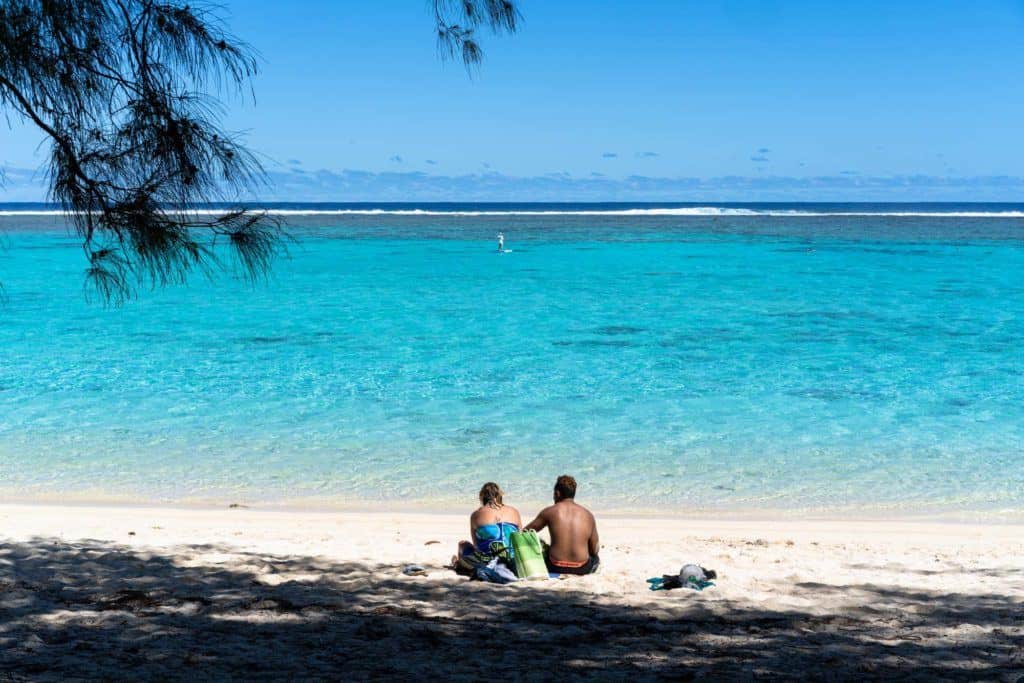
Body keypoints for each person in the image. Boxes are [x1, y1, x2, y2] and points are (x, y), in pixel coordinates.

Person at [525, 474, 600, 575]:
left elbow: (525, 532)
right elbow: (594, 549)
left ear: (557, 493)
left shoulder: (549, 512)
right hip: (582, 568)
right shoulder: (588, 515)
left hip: (555, 567)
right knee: (596, 558)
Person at [454, 482, 522, 573]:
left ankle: (459, 565)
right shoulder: (514, 511)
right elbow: (520, 537)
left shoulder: (476, 514)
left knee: (462, 544)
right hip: (512, 558)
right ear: (500, 495)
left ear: (482, 497)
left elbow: (476, 545)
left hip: (487, 560)